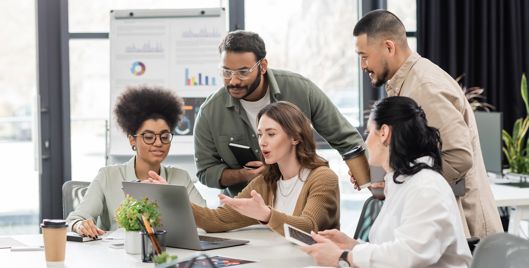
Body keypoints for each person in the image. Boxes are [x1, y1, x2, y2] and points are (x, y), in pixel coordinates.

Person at [352, 9, 502, 239]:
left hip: (465, 228)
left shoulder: (424, 86)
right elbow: (420, 156)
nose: (362, 65)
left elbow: (458, 157)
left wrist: (396, 183)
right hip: (442, 222)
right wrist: (381, 174)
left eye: (364, 56)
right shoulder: (406, 83)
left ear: (389, 47)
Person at [193, 30, 370, 197]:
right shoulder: (210, 112)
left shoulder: (300, 89)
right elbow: (205, 171)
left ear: (262, 66)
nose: (233, 80)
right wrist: (243, 175)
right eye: (226, 72)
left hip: (302, 201)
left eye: (243, 72)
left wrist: (372, 181)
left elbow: (345, 138)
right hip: (246, 208)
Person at [303, 96, 472, 267]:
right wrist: (352, 246)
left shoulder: (426, 187)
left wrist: (344, 257)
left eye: (369, 133)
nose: (366, 142)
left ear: (384, 133)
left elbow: (410, 255)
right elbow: (392, 250)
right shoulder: (402, 184)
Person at [66, 87, 206, 238]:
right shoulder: (108, 176)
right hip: (117, 256)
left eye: (164, 136)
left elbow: (206, 220)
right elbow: (74, 220)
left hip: (168, 254)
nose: (158, 143)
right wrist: (80, 225)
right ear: (132, 139)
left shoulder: (181, 177)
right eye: (148, 136)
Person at [191, 101, 340, 234]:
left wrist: (266, 215)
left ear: (295, 138)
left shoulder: (323, 178)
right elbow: (217, 220)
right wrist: (173, 202)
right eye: (260, 134)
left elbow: (308, 227)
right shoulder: (266, 181)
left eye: (271, 134)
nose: (262, 142)